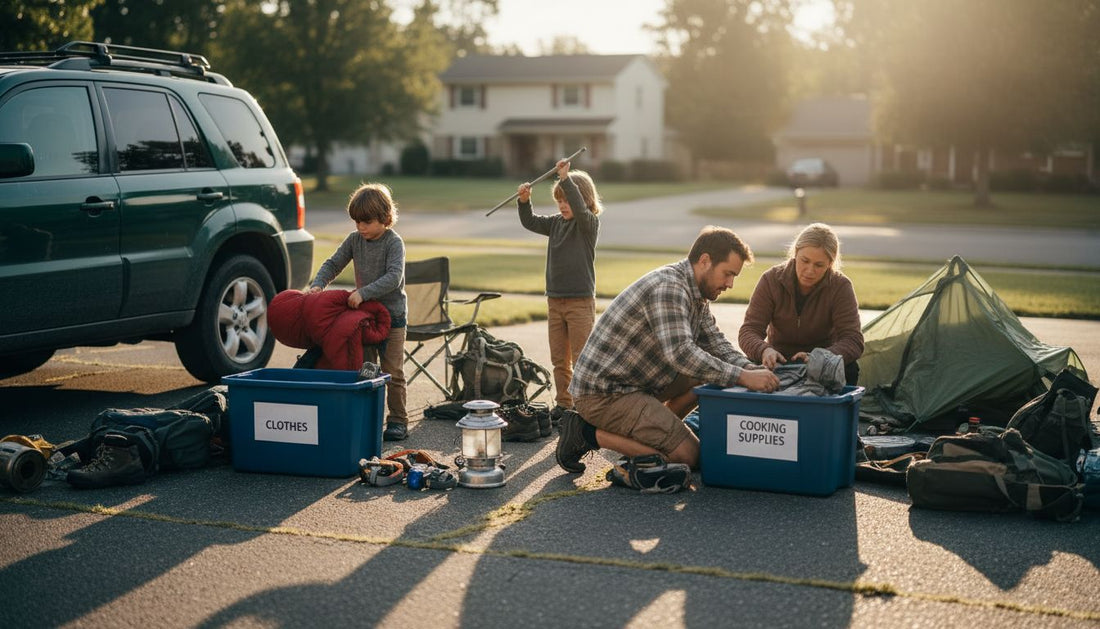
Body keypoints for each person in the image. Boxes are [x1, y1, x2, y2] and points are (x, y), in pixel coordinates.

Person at [556, 226, 779, 473]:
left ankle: (660, 430)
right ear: (705, 261)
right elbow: (682, 354)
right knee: (689, 457)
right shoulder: (669, 288)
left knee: (708, 373)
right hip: (604, 395)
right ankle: (585, 433)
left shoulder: (697, 293)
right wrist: (743, 377)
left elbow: (716, 344)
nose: (730, 284)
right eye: (727, 274)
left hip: (635, 385)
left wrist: (750, 368)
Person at [308, 183, 410, 441]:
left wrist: (364, 292)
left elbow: (394, 277)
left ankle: (398, 420)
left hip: (393, 320)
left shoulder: (393, 243)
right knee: (366, 369)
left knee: (393, 373)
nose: (360, 227)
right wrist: (319, 283)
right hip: (366, 320)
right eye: (356, 222)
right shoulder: (355, 240)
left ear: (385, 219)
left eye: (366, 222)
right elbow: (333, 263)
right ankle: (366, 416)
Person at [516, 158, 602, 426]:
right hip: (555, 301)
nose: (563, 205)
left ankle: (584, 406)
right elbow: (529, 221)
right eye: (559, 201)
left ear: (584, 200)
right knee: (559, 359)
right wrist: (524, 200)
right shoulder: (555, 224)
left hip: (580, 303)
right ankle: (564, 404)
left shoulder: (588, 225)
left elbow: (578, 206)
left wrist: (565, 179)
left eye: (567, 200)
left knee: (581, 358)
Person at [738, 222, 864, 387]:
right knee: (744, 367)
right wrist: (764, 350)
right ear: (795, 253)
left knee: (850, 368)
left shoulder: (840, 286)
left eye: (819, 265)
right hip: (776, 363)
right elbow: (749, 331)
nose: (810, 270)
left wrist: (821, 357)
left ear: (830, 264)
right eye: (805, 261)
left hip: (819, 366)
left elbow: (853, 340)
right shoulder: (771, 280)